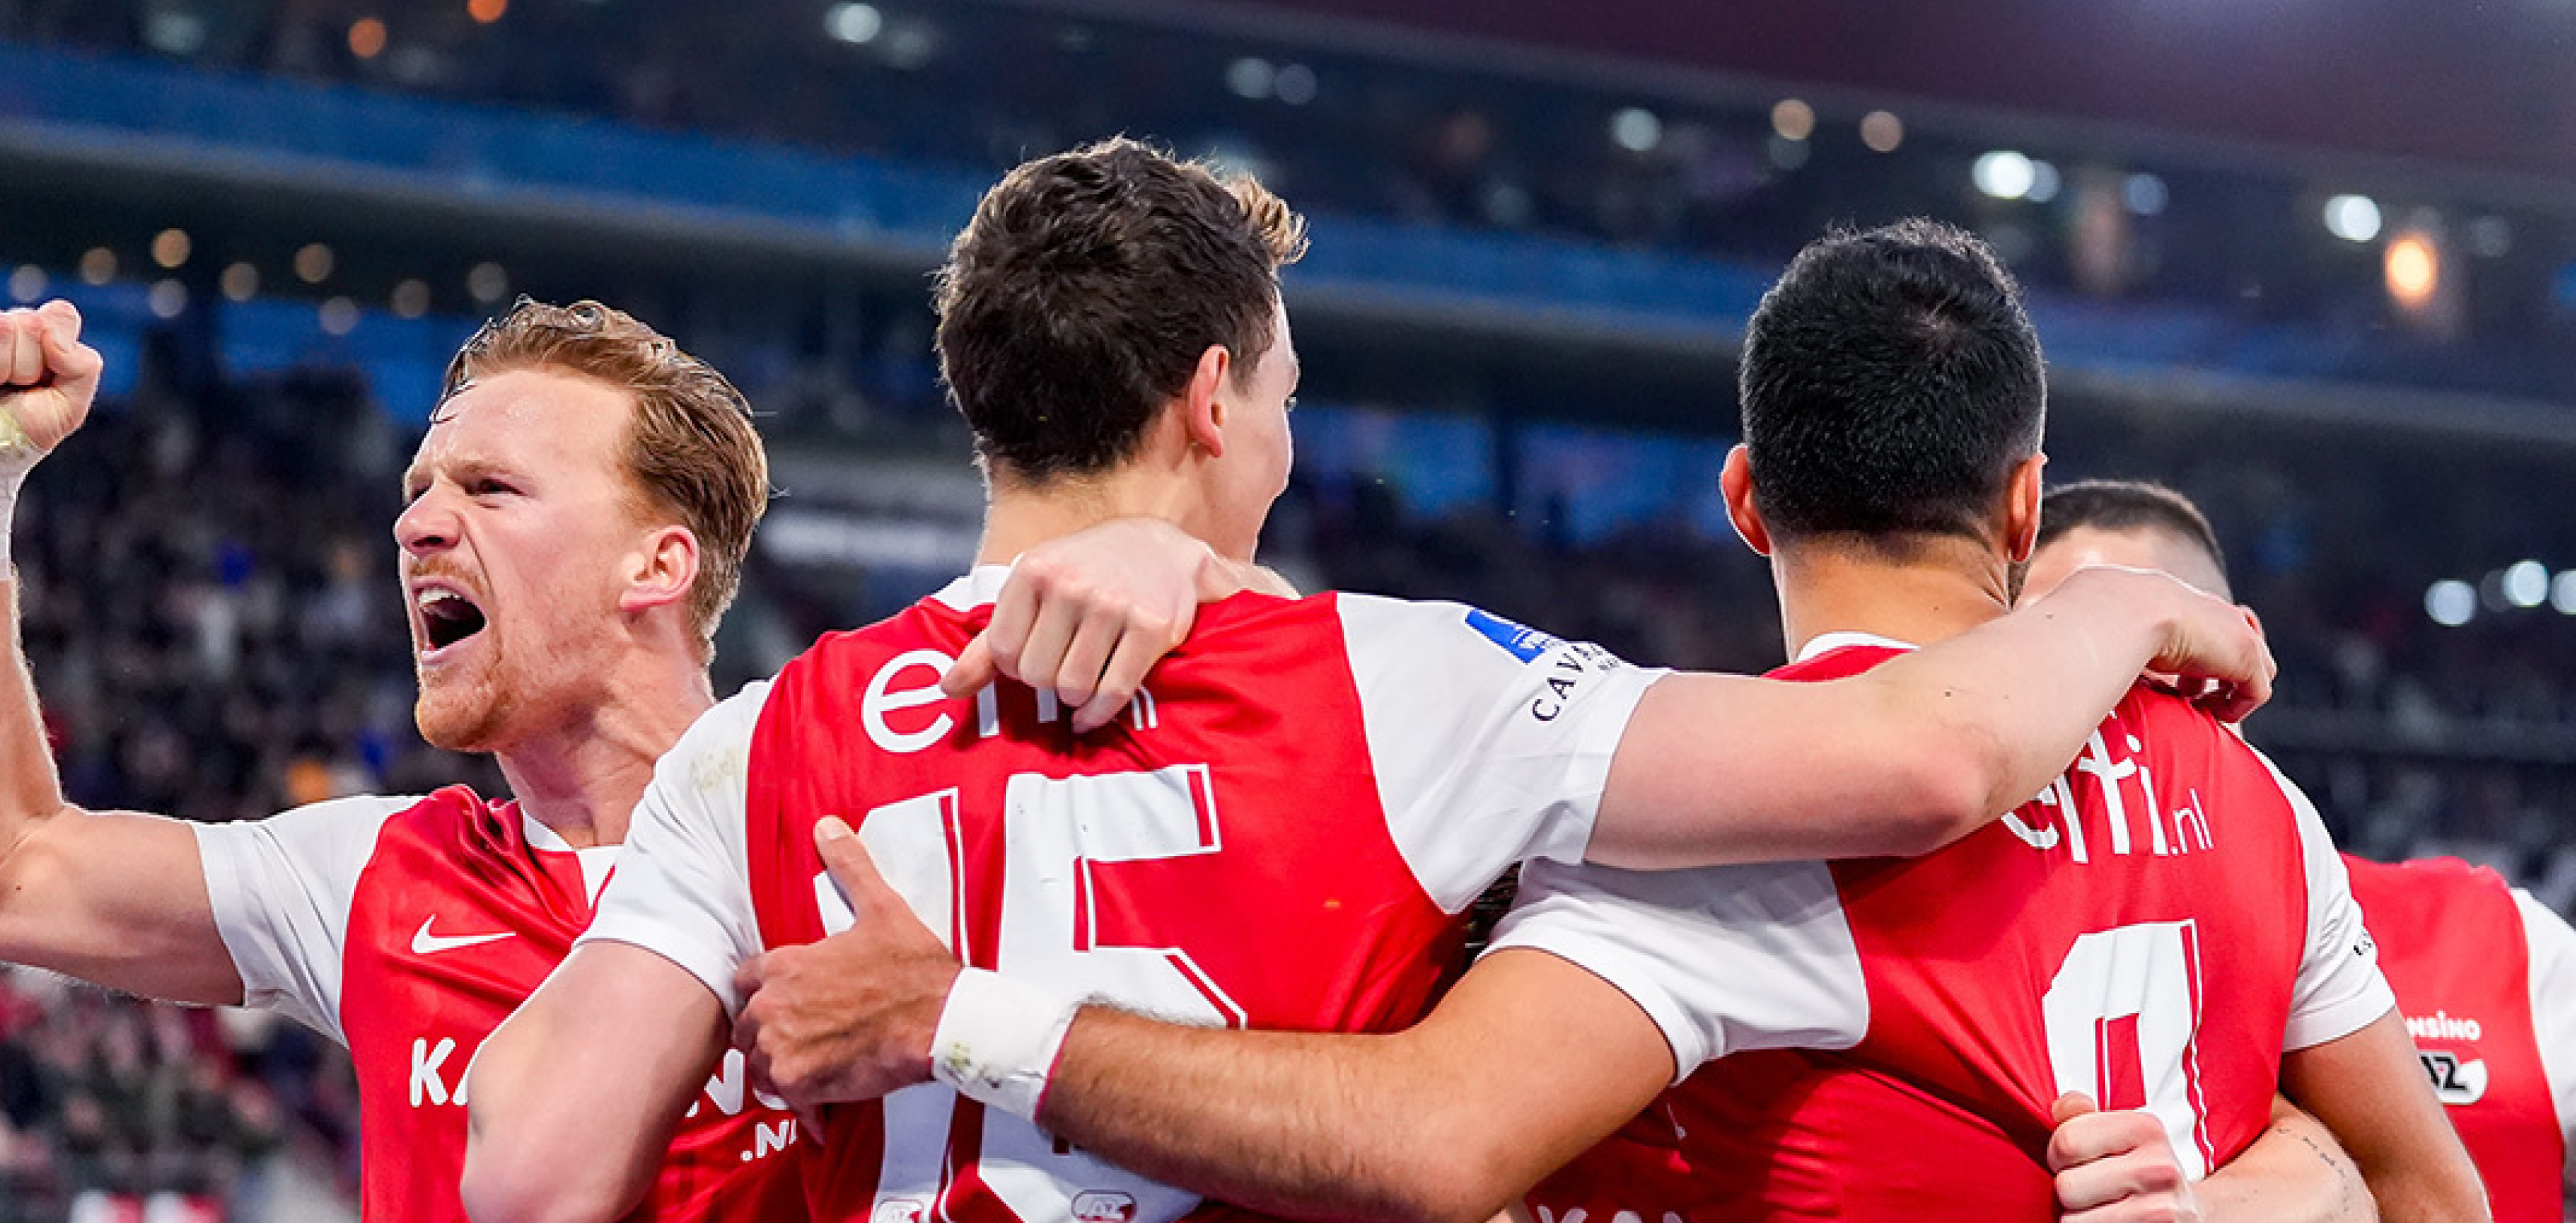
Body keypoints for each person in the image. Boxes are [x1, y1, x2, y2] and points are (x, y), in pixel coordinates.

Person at [462, 144, 2277, 1223]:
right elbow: (1920, 750)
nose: (1282, 438)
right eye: (1283, 396)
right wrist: (2118, 607)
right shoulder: (1400, 682)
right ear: (1209, 400)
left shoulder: (757, 747)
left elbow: (529, 1178)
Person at [0, 296, 1230, 1221]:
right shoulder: (375, 878)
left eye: (490, 490)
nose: (417, 525)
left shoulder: (863, 820)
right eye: (419, 490)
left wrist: (1182, 565)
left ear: (659, 565)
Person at [2030, 477, 2576, 1223]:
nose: (2118, 725)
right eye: (2067, 664)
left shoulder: (2490, 946)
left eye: (2152, 659)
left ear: (2238, 651)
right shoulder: (1953, 972)